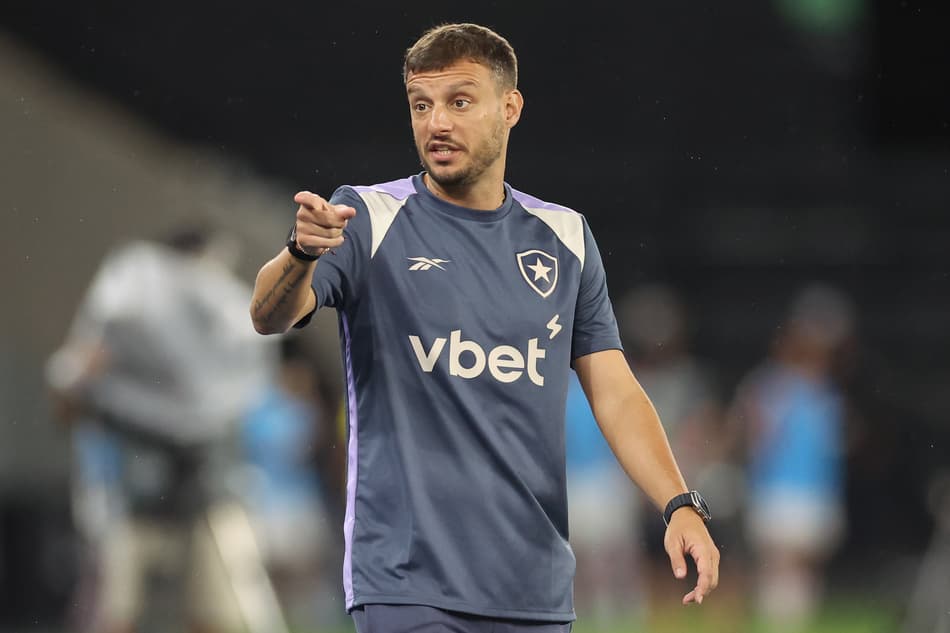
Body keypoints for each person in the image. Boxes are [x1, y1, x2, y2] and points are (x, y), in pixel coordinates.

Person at [249, 23, 719, 632]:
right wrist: (300, 252)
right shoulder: (368, 217)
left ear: (510, 108)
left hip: (533, 589)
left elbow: (615, 390)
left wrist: (679, 503)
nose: (437, 123)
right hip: (406, 583)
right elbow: (269, 314)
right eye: (422, 105)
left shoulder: (565, 237)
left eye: (460, 101)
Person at [48, 225, 278, 633]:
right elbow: (70, 397)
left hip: (213, 491)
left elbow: (240, 390)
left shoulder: (222, 322)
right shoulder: (133, 314)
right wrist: (83, 377)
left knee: (224, 614)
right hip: (142, 494)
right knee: (118, 612)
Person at [728, 284, 854, 630]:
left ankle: (792, 621)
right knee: (781, 567)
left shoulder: (826, 392)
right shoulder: (769, 387)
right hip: (778, 492)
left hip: (815, 493)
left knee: (799, 571)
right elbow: (750, 438)